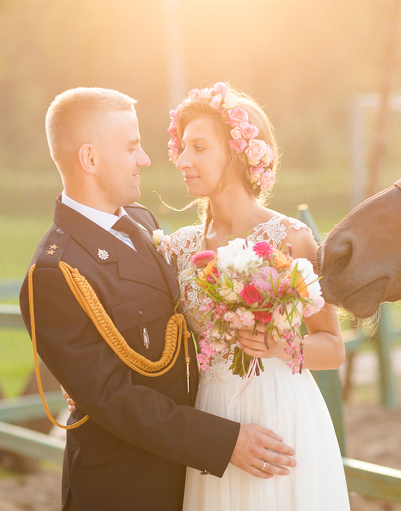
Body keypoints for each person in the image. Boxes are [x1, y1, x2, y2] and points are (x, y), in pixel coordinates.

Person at [19, 87, 296, 511]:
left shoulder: (141, 222)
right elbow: (114, 398)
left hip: (191, 476)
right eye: (131, 147)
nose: (145, 159)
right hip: (127, 488)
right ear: (90, 159)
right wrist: (225, 442)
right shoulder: (55, 272)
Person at [167, 83, 350, 510]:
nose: (182, 160)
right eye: (182, 147)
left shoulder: (292, 240)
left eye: (198, 147)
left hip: (282, 414)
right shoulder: (179, 248)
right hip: (212, 420)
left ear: (237, 153)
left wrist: (280, 346)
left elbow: (333, 348)